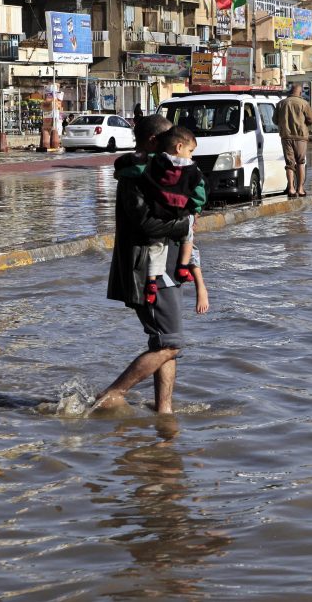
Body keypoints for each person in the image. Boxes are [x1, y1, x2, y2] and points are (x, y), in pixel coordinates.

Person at [95, 115, 193, 415]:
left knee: (165, 342)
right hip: (147, 268)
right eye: (169, 142)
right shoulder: (136, 177)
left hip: (167, 267)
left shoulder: (162, 174)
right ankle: (112, 393)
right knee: (170, 344)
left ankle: (164, 411)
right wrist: (184, 223)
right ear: (154, 142)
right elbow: (146, 225)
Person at [139, 126, 207, 305]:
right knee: (188, 238)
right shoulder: (192, 169)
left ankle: (151, 281)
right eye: (190, 151)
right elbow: (200, 193)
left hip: (158, 213)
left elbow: (136, 169)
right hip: (180, 214)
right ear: (179, 148)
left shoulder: (155, 162)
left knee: (156, 247)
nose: (191, 156)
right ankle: (183, 268)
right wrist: (196, 209)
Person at [273, 83, 312, 197]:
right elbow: (311, 120)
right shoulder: (304, 104)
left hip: (286, 137)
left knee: (289, 164)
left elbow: (275, 120)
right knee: (301, 162)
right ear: (300, 93)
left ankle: (291, 188)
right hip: (300, 137)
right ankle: (300, 189)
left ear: (290, 91)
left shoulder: (281, 104)